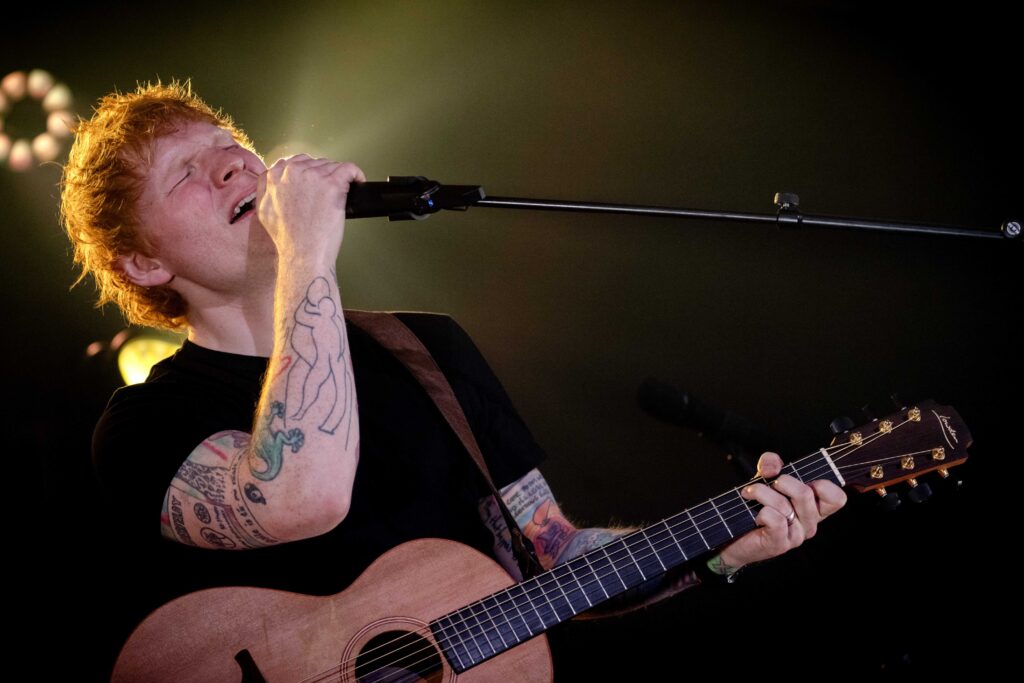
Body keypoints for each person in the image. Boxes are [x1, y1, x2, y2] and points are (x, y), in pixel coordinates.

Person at [62, 80, 847, 671]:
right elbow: (301, 494)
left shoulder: (425, 349)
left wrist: (718, 549)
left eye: (229, 143)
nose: (234, 164)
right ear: (143, 261)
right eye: (188, 172)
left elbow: (555, 558)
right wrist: (307, 255)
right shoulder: (142, 425)